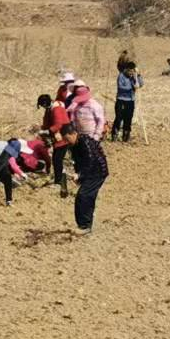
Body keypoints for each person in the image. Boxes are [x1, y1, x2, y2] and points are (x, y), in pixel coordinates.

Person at [67, 83, 109, 234]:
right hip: (84, 148)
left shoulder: (95, 106)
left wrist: (96, 138)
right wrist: (78, 172)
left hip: (94, 156)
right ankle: (86, 224)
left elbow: (90, 161)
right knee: (86, 195)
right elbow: (80, 160)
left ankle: (84, 226)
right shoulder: (75, 107)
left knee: (84, 195)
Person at [38, 94, 73, 197]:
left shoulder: (56, 109)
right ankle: (59, 179)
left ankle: (59, 181)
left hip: (63, 137)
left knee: (57, 159)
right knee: (56, 159)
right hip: (58, 137)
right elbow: (46, 122)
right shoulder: (50, 109)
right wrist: (42, 129)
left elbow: (58, 125)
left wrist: (47, 131)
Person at [112, 61, 142, 143]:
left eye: (133, 71)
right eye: (130, 71)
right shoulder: (121, 76)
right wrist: (132, 87)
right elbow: (121, 87)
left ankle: (126, 136)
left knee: (128, 118)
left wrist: (138, 76)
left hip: (130, 101)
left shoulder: (134, 76)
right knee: (119, 117)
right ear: (127, 70)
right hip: (121, 100)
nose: (131, 73)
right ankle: (115, 134)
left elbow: (141, 84)